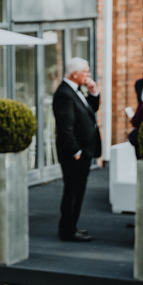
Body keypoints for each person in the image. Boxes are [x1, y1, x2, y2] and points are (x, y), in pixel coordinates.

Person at [52, 57, 101, 242]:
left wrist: (93, 92)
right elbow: (65, 128)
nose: (89, 75)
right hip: (74, 154)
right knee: (73, 192)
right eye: (86, 72)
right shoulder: (64, 94)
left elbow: (91, 109)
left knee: (77, 191)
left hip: (83, 151)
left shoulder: (76, 90)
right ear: (75, 74)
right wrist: (76, 152)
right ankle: (68, 230)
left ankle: (71, 226)